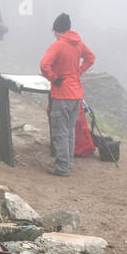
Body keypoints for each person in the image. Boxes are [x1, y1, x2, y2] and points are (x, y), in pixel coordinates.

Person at [40, 13, 95, 176]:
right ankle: (67, 163)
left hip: (62, 94)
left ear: (57, 30)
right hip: (76, 93)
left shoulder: (58, 45)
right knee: (70, 130)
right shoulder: (78, 44)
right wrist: (78, 72)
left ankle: (62, 167)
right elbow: (90, 58)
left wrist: (54, 78)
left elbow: (44, 65)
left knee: (61, 131)